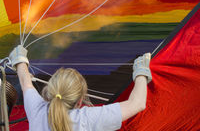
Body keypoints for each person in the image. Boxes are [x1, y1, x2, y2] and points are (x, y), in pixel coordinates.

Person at [8, 45, 152, 131]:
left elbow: (25, 81)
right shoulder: (87, 119)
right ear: (79, 102)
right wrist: (141, 71)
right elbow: (137, 103)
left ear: (50, 90)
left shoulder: (37, 110)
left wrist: (20, 60)